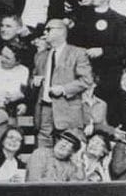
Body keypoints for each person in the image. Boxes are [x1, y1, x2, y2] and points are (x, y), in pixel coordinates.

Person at [29, 18, 93, 148]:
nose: (44, 33)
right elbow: (32, 79)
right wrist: (33, 82)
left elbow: (86, 80)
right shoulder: (40, 56)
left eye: (48, 29)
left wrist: (64, 89)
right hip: (44, 109)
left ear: (61, 31)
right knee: (43, 147)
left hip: (67, 110)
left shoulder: (77, 53)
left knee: (68, 146)